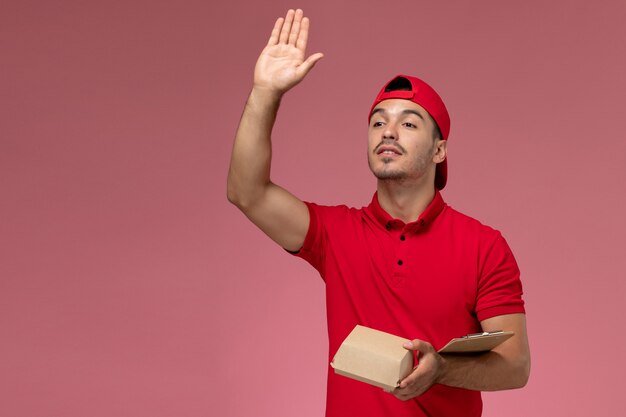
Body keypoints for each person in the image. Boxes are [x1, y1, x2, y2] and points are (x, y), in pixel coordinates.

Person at [227, 8, 530, 417]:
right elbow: (247, 191)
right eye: (377, 123)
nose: (387, 131)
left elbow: (515, 365)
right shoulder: (335, 233)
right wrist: (265, 92)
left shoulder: (484, 246)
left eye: (408, 123)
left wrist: (441, 369)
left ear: (439, 150)